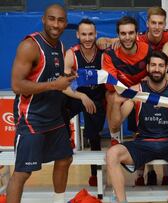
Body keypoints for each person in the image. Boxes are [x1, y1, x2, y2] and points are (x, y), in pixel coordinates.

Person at [105, 51, 168, 202]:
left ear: (166, 68)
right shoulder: (136, 90)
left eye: (161, 66)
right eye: (154, 65)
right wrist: (117, 104)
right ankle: (121, 201)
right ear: (148, 68)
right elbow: (115, 124)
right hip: (144, 143)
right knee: (112, 154)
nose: (157, 69)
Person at [8, 4, 75, 203]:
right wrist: (55, 84)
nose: (56, 24)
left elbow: (50, 77)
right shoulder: (30, 46)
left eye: (61, 20)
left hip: (54, 117)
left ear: (66, 23)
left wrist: (68, 78)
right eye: (52, 19)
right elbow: (17, 85)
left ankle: (58, 201)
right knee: (22, 173)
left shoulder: (60, 47)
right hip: (32, 120)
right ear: (43, 20)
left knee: (65, 159)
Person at [62, 18, 106, 187]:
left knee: (94, 136)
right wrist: (81, 96)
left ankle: (95, 173)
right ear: (77, 35)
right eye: (84, 35)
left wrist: (109, 41)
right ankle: (66, 140)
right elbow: (63, 85)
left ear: (96, 35)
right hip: (78, 95)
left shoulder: (103, 53)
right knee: (60, 106)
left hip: (96, 97)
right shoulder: (71, 54)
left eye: (90, 34)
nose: (87, 38)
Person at [101, 16, 151, 145]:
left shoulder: (147, 50)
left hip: (140, 92)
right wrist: (128, 93)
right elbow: (110, 85)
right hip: (120, 92)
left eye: (130, 33)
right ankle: (115, 138)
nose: (127, 37)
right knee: (111, 97)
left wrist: (136, 90)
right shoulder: (110, 54)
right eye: (123, 33)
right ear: (118, 35)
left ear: (136, 34)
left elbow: (154, 76)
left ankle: (141, 138)